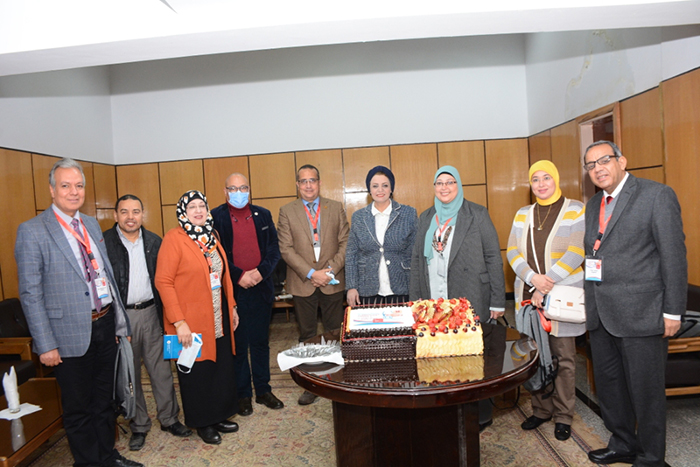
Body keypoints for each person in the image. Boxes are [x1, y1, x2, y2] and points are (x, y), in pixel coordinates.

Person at [14, 158, 142, 467]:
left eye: (79, 185)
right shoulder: (32, 231)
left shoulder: (90, 224)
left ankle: (108, 457)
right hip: (66, 335)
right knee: (78, 408)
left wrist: (117, 324)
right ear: (52, 190)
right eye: (66, 185)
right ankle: (88, 463)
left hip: (104, 325)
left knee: (105, 401)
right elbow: (31, 294)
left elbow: (104, 275)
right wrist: (45, 344)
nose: (74, 192)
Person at [582, 141, 687, 467]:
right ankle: (622, 443)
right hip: (601, 314)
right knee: (610, 388)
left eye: (604, 160)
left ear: (622, 161)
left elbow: (673, 257)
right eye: (591, 165)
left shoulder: (656, 195)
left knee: (646, 392)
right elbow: (593, 255)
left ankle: (652, 457)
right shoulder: (593, 204)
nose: (598, 168)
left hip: (642, 313)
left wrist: (673, 310)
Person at [409, 165, 505, 430]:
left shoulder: (477, 214)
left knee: (473, 358)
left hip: (470, 295)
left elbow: (493, 257)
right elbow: (417, 261)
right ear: (434, 187)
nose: (444, 187)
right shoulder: (426, 217)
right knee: (439, 356)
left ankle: (479, 415)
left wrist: (498, 300)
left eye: (450, 182)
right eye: (439, 183)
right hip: (434, 299)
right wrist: (416, 302)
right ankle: (445, 412)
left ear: (458, 185)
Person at [103, 194, 192, 451]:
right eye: (124, 212)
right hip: (123, 317)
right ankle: (139, 425)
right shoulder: (104, 243)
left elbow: (166, 281)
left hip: (153, 313)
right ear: (116, 215)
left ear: (143, 214)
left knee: (161, 371)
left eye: (135, 211)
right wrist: (114, 323)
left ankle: (169, 419)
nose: (130, 217)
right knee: (129, 375)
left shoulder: (155, 242)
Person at [506, 160, 585, 441]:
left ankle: (564, 416)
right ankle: (541, 409)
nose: (541, 184)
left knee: (563, 358)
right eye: (535, 179)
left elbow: (576, 251)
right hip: (528, 297)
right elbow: (512, 251)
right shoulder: (522, 214)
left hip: (562, 297)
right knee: (534, 355)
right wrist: (532, 279)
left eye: (546, 178)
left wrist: (545, 283)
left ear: (556, 179)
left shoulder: (575, 209)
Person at [154, 190, 241, 445]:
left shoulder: (212, 236)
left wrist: (232, 307)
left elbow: (224, 276)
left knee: (219, 367)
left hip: (218, 316)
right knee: (197, 373)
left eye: (201, 206)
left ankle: (219, 415)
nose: (198, 211)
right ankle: (203, 422)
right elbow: (163, 282)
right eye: (192, 207)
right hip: (189, 322)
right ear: (183, 212)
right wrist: (179, 322)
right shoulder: (174, 239)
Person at [211, 173, 284, 417]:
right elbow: (216, 254)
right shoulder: (215, 217)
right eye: (233, 188)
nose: (238, 192)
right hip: (234, 291)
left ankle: (263, 390)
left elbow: (274, 249)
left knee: (260, 342)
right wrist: (239, 276)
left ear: (249, 190)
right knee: (239, 345)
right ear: (225, 191)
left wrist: (260, 273)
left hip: (261, 288)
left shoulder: (263, 214)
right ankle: (243, 394)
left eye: (243, 188)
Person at [278, 164, 350, 405]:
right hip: (302, 282)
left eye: (312, 180)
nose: (308, 185)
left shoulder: (335, 207)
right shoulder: (287, 211)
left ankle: (335, 379)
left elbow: (345, 242)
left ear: (319, 183)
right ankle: (313, 384)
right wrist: (311, 273)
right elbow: (285, 248)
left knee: (334, 332)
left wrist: (329, 271)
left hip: (332, 280)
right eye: (303, 181)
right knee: (308, 335)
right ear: (297, 185)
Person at [345, 166, 417, 306]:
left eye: (385, 185)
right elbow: (351, 254)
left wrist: (418, 287)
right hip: (367, 289)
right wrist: (351, 287)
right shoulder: (359, 217)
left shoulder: (408, 214)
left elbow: (416, 253)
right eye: (375, 186)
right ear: (369, 190)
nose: (380, 190)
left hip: (402, 288)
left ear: (391, 189)